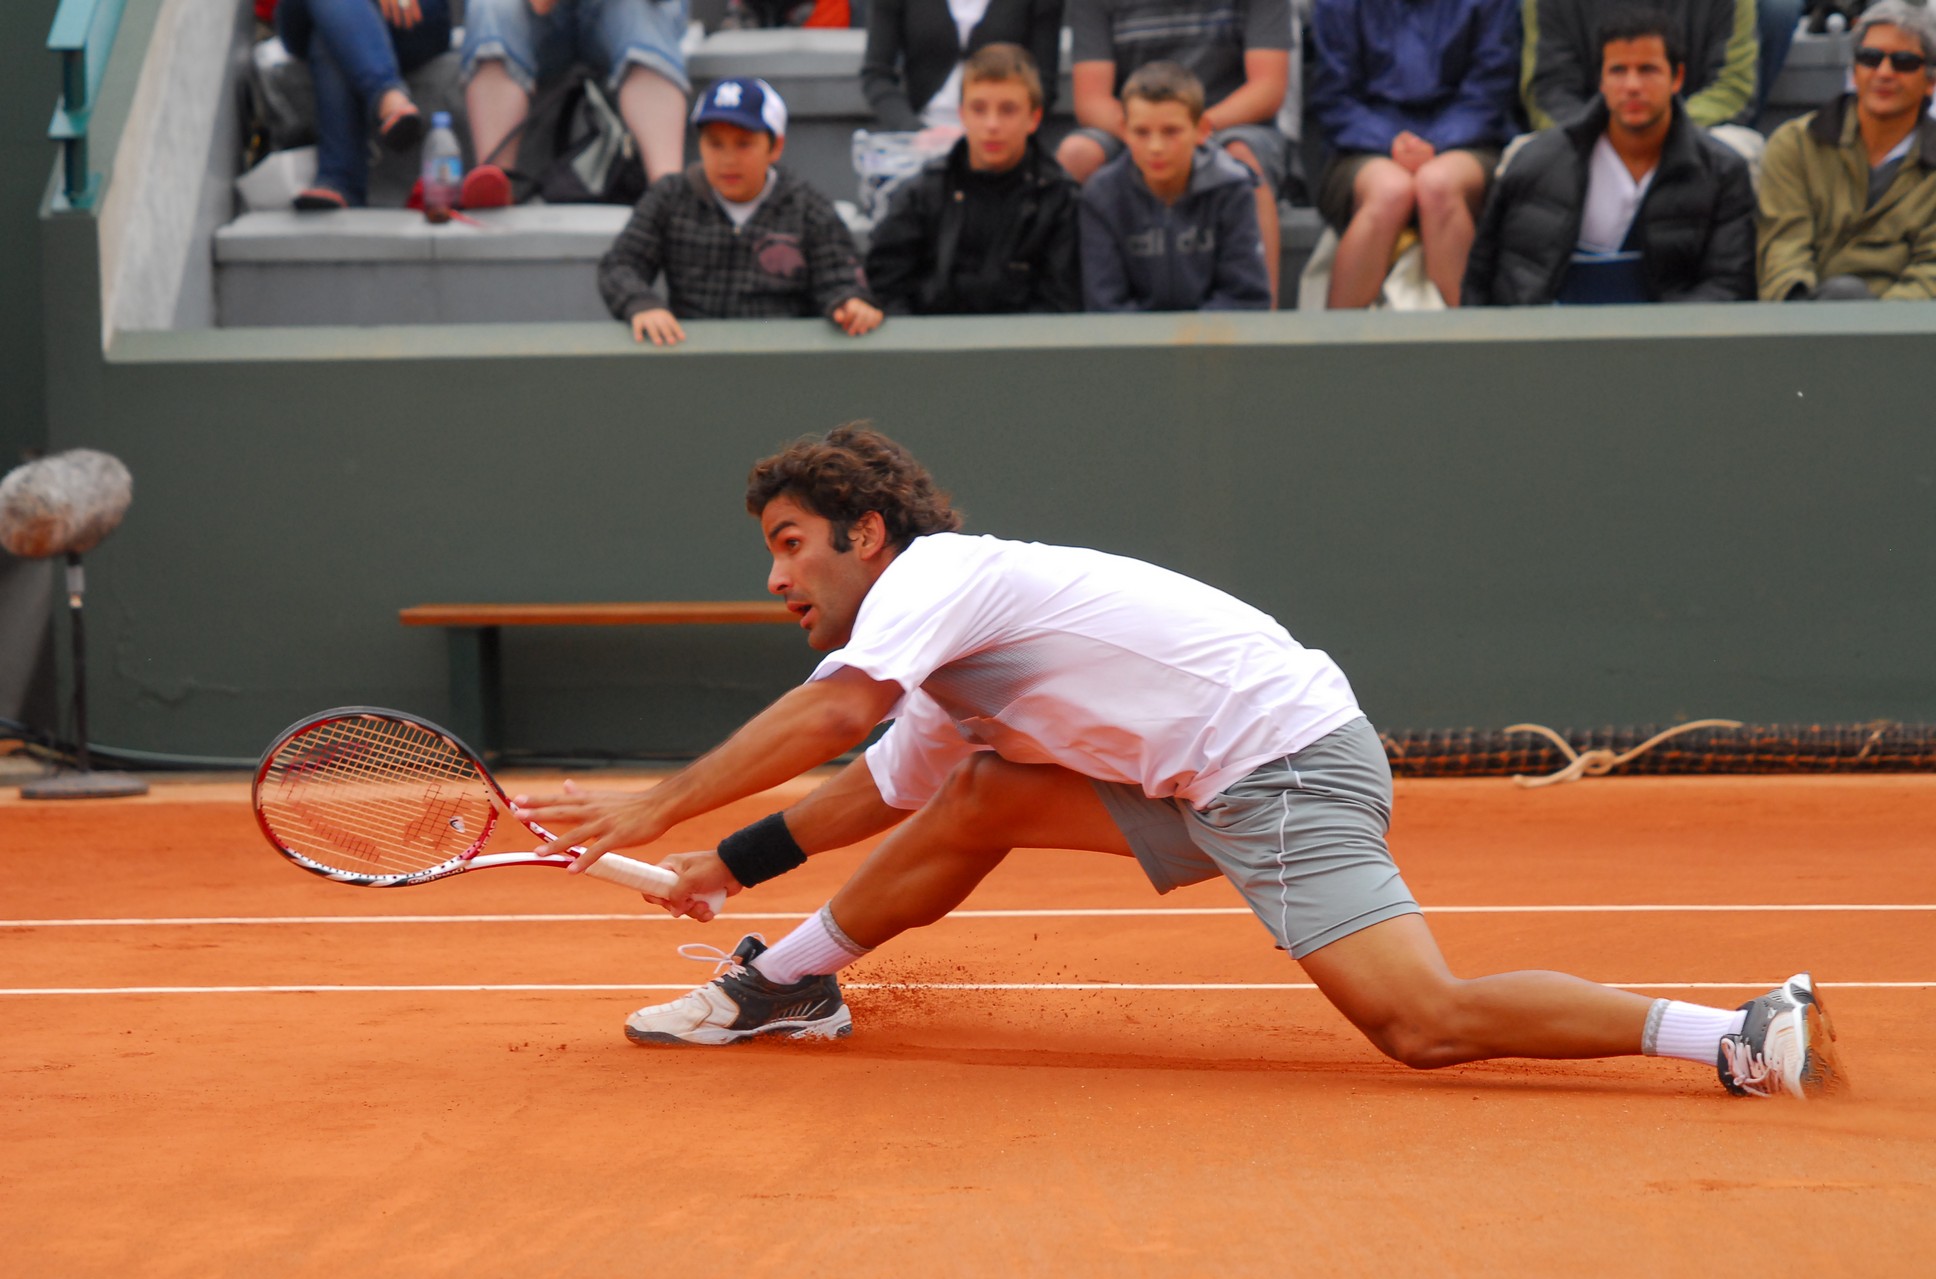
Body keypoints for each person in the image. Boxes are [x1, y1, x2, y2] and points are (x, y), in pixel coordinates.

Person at [514, 422, 1845, 1104]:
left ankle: (1729, 1033)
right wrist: (717, 865)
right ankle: (786, 988)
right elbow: (879, 790)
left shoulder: (934, 581)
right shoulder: (942, 647)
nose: (774, 575)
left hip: (1281, 769)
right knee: (978, 796)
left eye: (793, 542)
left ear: (868, 534)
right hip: (1221, 771)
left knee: (1420, 1024)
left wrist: (658, 797)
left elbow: (828, 720)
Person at [1463, 5, 1756, 305]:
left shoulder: (1723, 172)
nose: (1632, 86)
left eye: (1647, 70)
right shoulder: (1534, 165)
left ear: (1677, 77)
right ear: (1601, 80)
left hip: (1671, 347)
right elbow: (1488, 280)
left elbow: (1729, 285)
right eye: (1618, 71)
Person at [596, 78, 884, 345]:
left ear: (775, 147)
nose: (728, 159)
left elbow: (840, 277)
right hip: (689, 354)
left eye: (744, 144)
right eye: (715, 144)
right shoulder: (669, 197)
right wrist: (642, 305)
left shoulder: (808, 206)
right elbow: (620, 265)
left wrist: (850, 304)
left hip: (782, 359)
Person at [1059, 0, 1295, 303]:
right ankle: (1069, 321)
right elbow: (1091, 100)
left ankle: (1261, 334)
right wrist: (1146, 132)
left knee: (1242, 162)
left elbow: (1267, 89)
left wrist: (1188, 129)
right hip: (1136, 123)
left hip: (1228, 124)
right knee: (1076, 155)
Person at [1308, 0, 1521, 308]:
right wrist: (1390, 142)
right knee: (1391, 192)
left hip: (1471, 142)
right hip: (1361, 148)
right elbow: (1334, 97)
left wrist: (1435, 144)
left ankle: (1477, 347)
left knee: (1437, 186)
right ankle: (1334, 350)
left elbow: (1490, 90)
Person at [865, 44, 1083, 315]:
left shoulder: (1060, 199)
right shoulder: (922, 192)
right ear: (962, 114)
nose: (992, 125)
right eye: (979, 109)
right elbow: (886, 288)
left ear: (1034, 118)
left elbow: (1060, 303)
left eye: (1008, 110)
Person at [1757, 0, 1936, 301]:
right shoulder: (1794, 145)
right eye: (1870, 58)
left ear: (1931, 81)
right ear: (1853, 70)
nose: (1884, 72)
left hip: (1906, 336)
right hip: (1803, 324)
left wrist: (1868, 325)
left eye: (1903, 62)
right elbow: (1782, 252)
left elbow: (1930, 273)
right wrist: (1814, 321)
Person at [1078, 62, 1274, 311]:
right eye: (1141, 132)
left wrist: (1188, 343)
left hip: (1212, 345)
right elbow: (1105, 305)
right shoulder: (1101, 196)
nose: (1156, 147)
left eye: (1171, 131)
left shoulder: (1232, 188)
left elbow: (1246, 296)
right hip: (1130, 346)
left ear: (1201, 130)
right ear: (1123, 131)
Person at [459, 0, 691, 209]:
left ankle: (667, 192)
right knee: (490, 6)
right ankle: (495, 183)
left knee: (646, 10)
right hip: (539, 21)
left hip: (620, 13)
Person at [276, 0, 455, 209]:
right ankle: (386, 93)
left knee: (329, 37)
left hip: (408, 16)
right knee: (337, 17)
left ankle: (339, 181)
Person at [1521, 0, 1759, 135]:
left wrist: (1661, 132)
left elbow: (1732, 88)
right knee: (1523, 157)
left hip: (1696, 129)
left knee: (1739, 148)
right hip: (1584, 131)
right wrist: (1608, 136)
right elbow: (1548, 92)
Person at [861, 0, 1066, 131]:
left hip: (1003, 140)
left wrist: (995, 132)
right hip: (920, 135)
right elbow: (877, 74)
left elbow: (1043, 83)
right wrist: (913, 130)